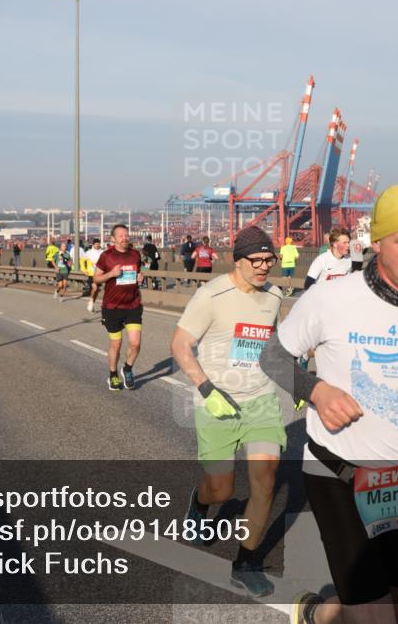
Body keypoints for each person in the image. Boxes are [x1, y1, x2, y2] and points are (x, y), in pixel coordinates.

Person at [258, 184, 398, 624]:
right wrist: (315, 390)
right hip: (336, 470)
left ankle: (318, 615)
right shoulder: (332, 296)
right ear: (377, 243)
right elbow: (272, 354)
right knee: (375, 618)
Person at [171, 226, 285, 597]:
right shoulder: (210, 296)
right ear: (239, 260)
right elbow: (180, 345)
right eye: (258, 260)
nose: (265, 267)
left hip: (261, 400)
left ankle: (246, 563)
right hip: (217, 402)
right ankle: (200, 502)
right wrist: (206, 387)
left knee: (265, 481)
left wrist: (296, 381)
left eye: (271, 259)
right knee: (221, 489)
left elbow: (273, 346)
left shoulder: (274, 296)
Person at [93, 224, 143, 391]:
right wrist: (111, 274)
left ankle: (127, 369)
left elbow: (137, 274)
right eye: (121, 235)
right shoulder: (106, 256)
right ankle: (113, 374)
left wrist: (140, 278)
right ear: (113, 239)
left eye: (126, 235)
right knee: (116, 344)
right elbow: (96, 279)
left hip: (133, 305)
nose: (125, 238)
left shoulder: (135, 255)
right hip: (112, 307)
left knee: (135, 344)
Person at [81, 238, 104, 312]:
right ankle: (91, 302)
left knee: (96, 291)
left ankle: (91, 303)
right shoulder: (88, 252)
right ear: (93, 244)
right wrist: (84, 270)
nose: (98, 245)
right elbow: (82, 261)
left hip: (100, 274)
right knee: (95, 288)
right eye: (96, 244)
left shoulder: (102, 252)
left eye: (99, 244)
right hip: (91, 273)